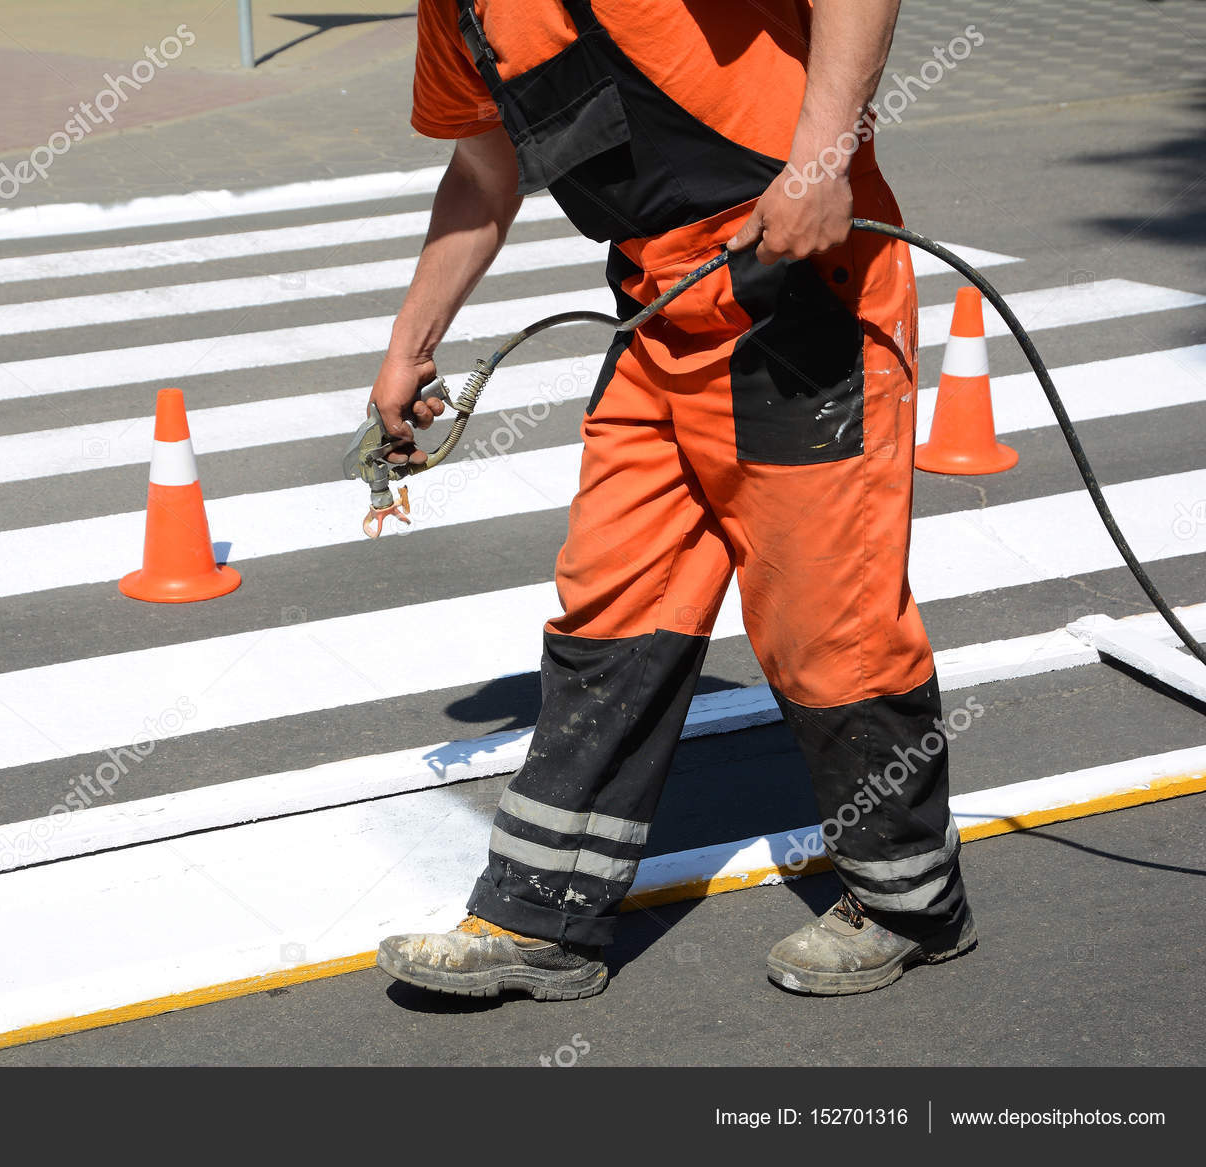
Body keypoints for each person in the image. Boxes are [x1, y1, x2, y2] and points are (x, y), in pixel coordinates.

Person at [370, 0, 977, 1000]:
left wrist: (822, 160)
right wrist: (410, 347)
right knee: (611, 605)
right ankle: (539, 919)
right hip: (659, 319)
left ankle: (910, 900)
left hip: (802, 294)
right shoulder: (463, 14)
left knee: (824, 621)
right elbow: (484, 175)